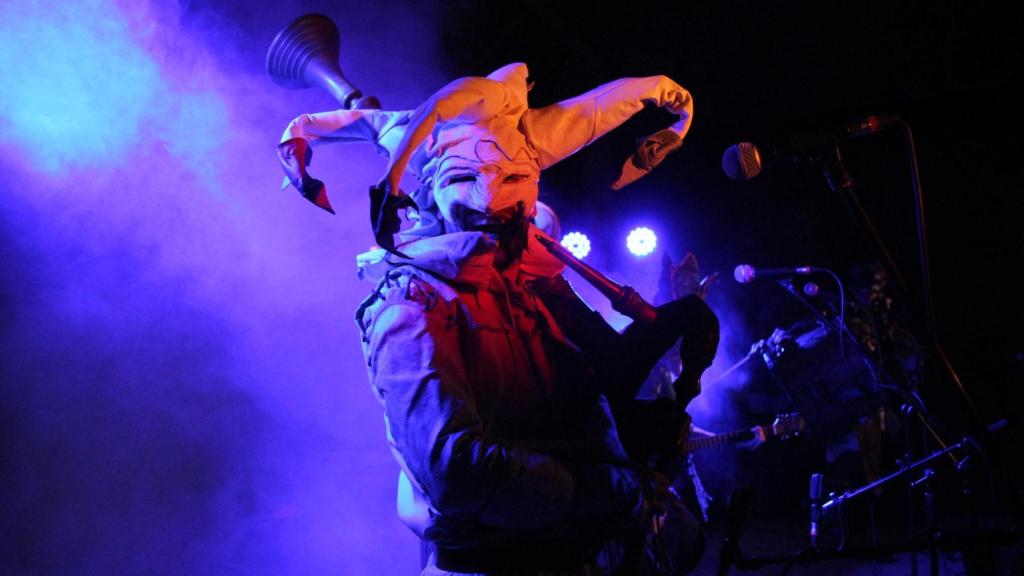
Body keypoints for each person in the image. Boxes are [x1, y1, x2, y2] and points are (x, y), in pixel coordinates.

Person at [277, 63, 718, 575]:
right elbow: (454, 470)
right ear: (432, 189)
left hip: (572, 555)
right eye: (464, 177)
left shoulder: (531, 285)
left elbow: (606, 374)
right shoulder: (412, 304)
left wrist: (671, 330)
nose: (489, 197)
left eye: (511, 176)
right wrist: (606, 492)